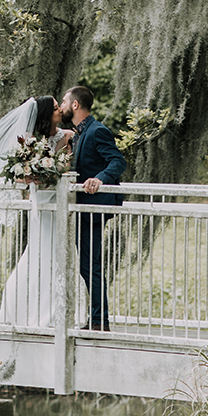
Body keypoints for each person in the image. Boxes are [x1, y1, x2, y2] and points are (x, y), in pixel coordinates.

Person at [0, 96, 70, 329]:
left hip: (58, 202)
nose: (60, 110)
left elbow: (65, 168)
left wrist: (48, 171)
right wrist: (29, 175)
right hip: (40, 204)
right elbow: (15, 172)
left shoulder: (67, 136)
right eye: (56, 108)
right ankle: (22, 310)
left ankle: (58, 310)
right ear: (46, 115)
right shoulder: (29, 141)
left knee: (60, 253)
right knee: (39, 253)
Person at [59, 85, 125, 331]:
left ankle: (99, 322)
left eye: (65, 102)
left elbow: (117, 161)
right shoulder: (76, 134)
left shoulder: (97, 131)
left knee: (91, 266)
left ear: (75, 105)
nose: (63, 106)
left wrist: (100, 179)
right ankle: (97, 319)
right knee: (88, 266)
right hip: (81, 210)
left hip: (93, 210)